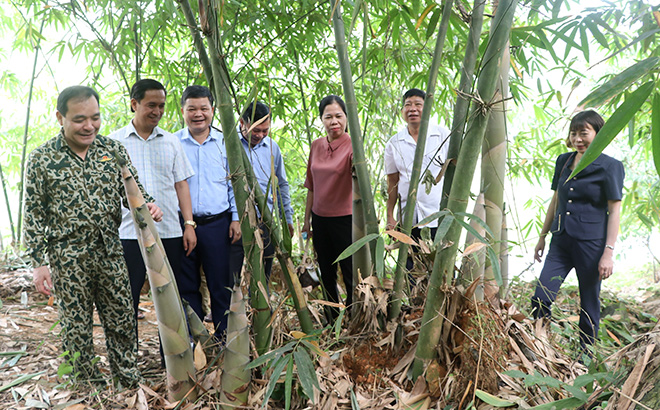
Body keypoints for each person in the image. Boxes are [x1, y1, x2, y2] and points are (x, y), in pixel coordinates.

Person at [25, 85, 163, 387]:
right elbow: (34, 215)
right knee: (76, 326)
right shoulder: (42, 159)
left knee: (122, 319)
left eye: (95, 118)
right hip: (67, 255)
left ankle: (126, 381)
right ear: (60, 117)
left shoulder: (112, 151)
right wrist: (38, 264)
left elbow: (133, 192)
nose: (89, 126)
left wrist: (148, 205)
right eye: (79, 119)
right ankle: (87, 387)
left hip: (110, 251)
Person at [531, 110, 624, 350]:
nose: (577, 139)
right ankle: (543, 351)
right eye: (574, 133)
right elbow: (555, 201)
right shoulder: (563, 161)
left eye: (584, 133)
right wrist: (542, 236)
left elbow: (615, 211)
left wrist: (608, 252)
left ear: (599, 134)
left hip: (591, 245)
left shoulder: (610, 166)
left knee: (589, 305)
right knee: (541, 298)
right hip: (560, 242)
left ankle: (585, 359)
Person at [108, 79, 196, 330]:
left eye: (162, 105)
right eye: (151, 105)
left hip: (168, 230)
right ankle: (127, 362)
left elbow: (181, 185)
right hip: (127, 233)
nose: (157, 111)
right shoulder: (113, 143)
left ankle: (172, 362)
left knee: (170, 299)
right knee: (127, 298)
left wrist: (188, 224)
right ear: (134, 104)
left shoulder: (171, 142)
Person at [175, 85, 241, 339]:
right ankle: (194, 341)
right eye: (192, 109)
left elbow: (234, 184)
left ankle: (225, 340)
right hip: (184, 224)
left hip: (218, 224)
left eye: (204, 108)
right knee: (187, 285)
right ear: (183, 111)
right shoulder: (174, 142)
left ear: (213, 110)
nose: (198, 114)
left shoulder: (226, 143)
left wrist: (235, 218)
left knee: (220, 285)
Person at [384, 88, 450, 271]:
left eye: (418, 104)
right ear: (402, 111)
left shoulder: (443, 136)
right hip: (408, 217)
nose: (412, 109)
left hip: (439, 216)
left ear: (427, 108)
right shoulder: (394, 143)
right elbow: (393, 182)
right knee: (412, 270)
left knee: (439, 270)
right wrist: (390, 215)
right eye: (408, 105)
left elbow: (456, 170)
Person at [301, 95, 353, 322]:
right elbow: (311, 187)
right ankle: (332, 318)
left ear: (346, 118)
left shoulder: (353, 145)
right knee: (326, 272)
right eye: (328, 116)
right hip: (320, 219)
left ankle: (355, 317)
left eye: (338, 116)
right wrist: (306, 221)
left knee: (350, 272)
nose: (334, 121)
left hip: (347, 218)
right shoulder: (316, 145)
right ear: (321, 119)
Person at [230, 100, 294, 281]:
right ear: (242, 122)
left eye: (265, 130)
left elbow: (281, 185)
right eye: (256, 130)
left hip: (264, 219)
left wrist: (286, 218)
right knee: (232, 278)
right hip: (235, 222)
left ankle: (261, 309)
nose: (260, 135)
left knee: (262, 276)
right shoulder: (229, 144)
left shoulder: (272, 147)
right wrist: (235, 216)